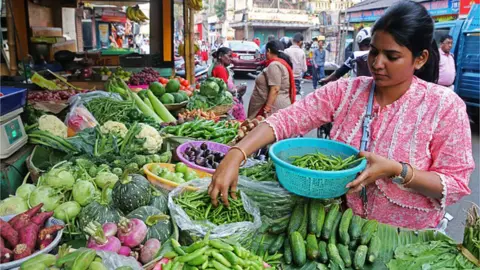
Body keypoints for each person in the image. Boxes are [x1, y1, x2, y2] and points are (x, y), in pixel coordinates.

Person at [208, 1, 473, 230]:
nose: (377, 63)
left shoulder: (444, 106)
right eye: (374, 52)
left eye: (391, 56)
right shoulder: (348, 91)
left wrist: (398, 170)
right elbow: (288, 119)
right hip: (338, 230)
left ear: (420, 58)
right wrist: (236, 154)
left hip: (406, 240)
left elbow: (455, 184)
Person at [247, 40, 296, 118]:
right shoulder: (280, 63)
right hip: (277, 106)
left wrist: (267, 108)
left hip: (274, 108)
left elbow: (275, 89)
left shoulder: (274, 65)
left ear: (268, 50)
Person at [210, 47, 247, 121]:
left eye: (232, 56)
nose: (231, 59)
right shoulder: (220, 69)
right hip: (225, 104)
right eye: (229, 56)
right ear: (220, 56)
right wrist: (238, 89)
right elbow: (224, 91)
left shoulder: (219, 67)